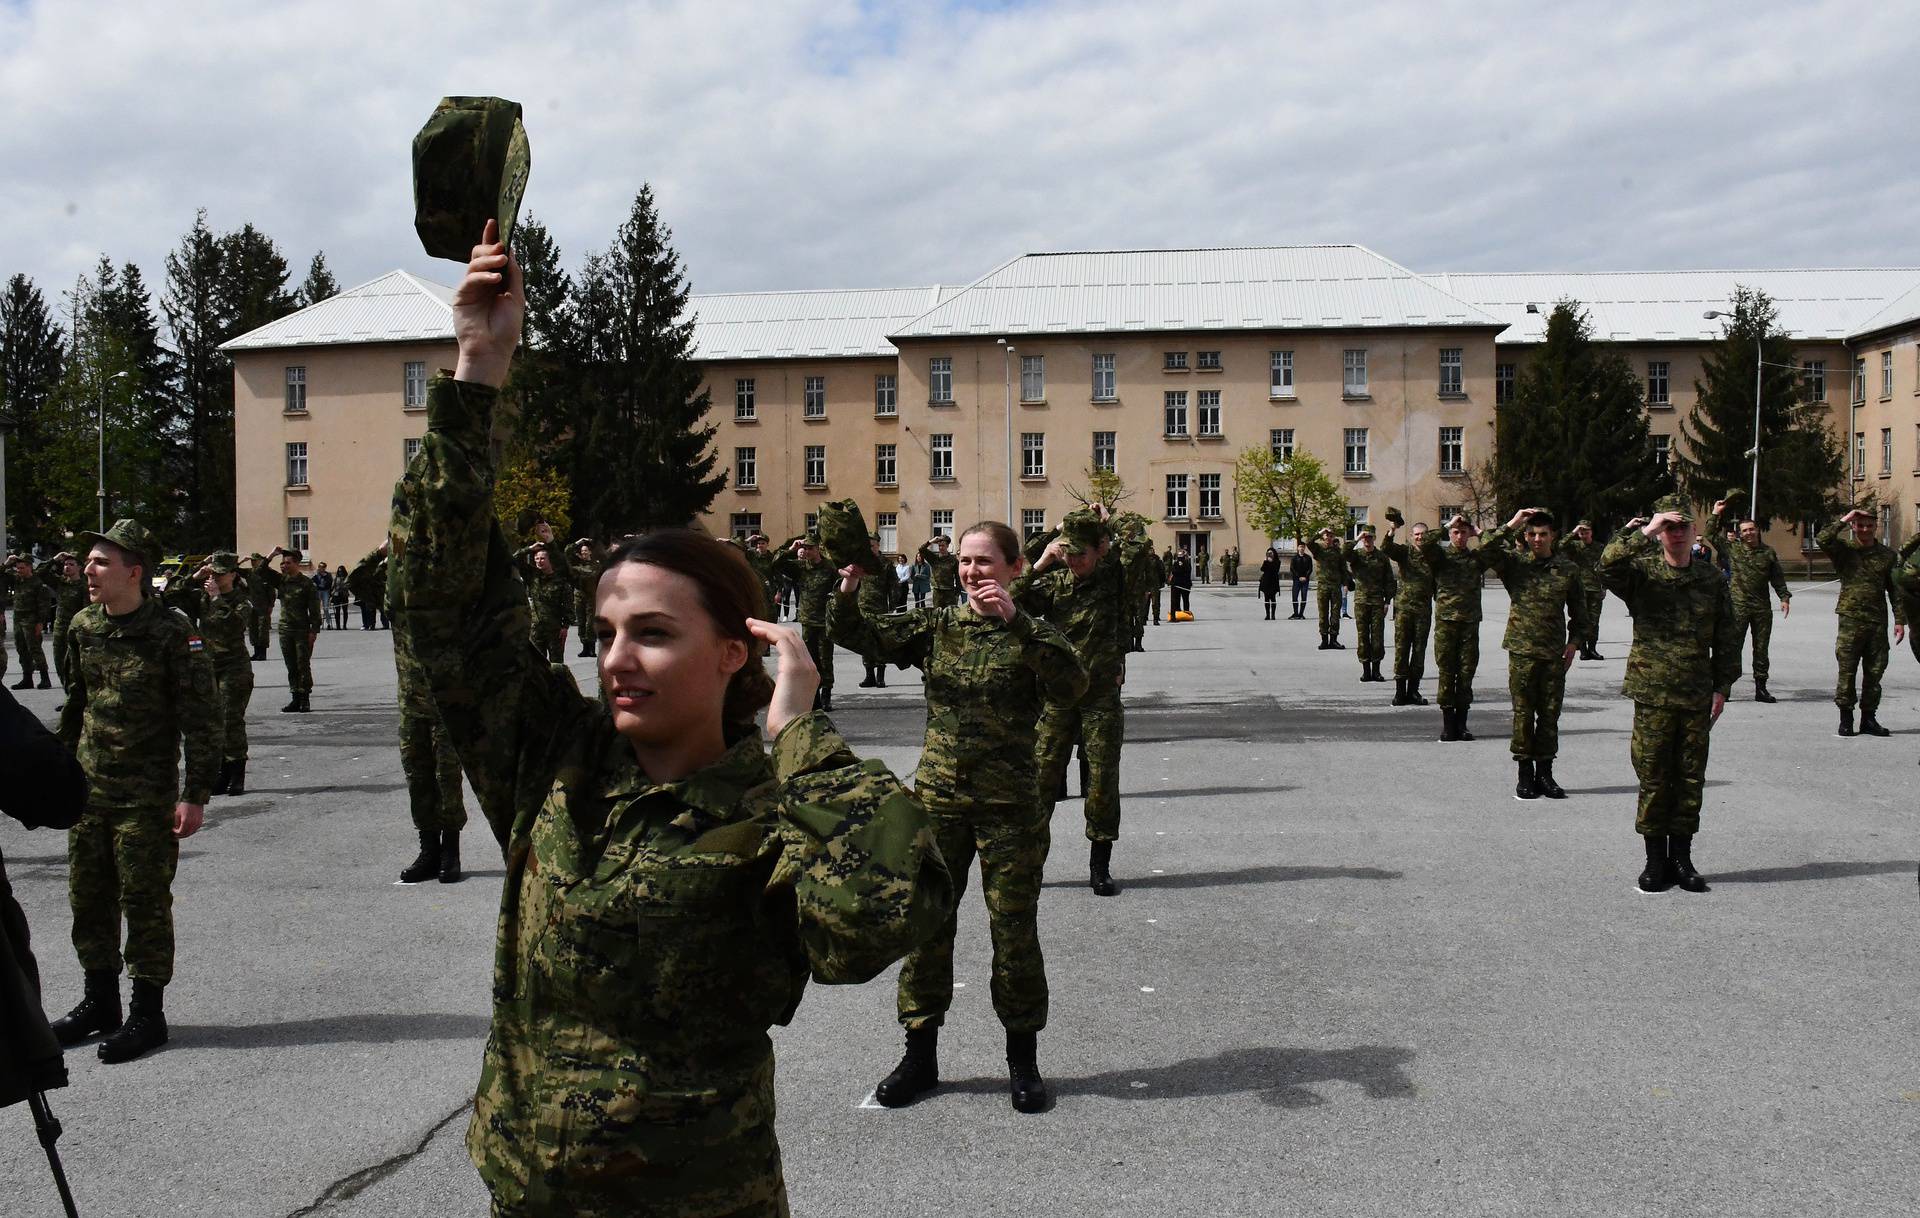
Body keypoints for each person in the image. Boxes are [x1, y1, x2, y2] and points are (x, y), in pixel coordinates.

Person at [387, 227, 951, 1213]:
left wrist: (801, 739)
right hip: (526, 1188)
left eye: (652, 632)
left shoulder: (772, 798)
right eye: (605, 631)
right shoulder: (555, 759)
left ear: (735, 650)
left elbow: (889, 909)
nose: (616, 659)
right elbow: (436, 601)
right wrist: (477, 370)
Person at [832, 520, 1084, 1113]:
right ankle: (919, 1056)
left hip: (1009, 809)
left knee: (1014, 931)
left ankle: (1023, 1061)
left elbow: (1074, 686)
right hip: (940, 801)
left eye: (986, 562)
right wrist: (847, 590)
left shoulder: (1035, 632)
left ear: (1016, 569)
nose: (973, 572)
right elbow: (864, 638)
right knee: (925, 928)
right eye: (967, 561)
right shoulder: (940, 626)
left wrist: (1017, 625)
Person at [49, 518, 216, 1063]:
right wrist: (55, 770)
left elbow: (201, 718)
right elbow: (77, 702)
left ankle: (149, 1013)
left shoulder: (172, 632)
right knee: (88, 900)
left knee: (144, 903)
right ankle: (100, 1003)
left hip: (146, 798)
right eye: (89, 562)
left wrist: (194, 795)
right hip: (88, 791)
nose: (88, 571)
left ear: (135, 572)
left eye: (101, 563)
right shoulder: (81, 626)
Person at [1601, 497, 1739, 892]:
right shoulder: (1642, 574)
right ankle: (1654, 861)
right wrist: (1645, 528)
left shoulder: (1710, 579)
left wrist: (1722, 687)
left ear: (1695, 532)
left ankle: (1682, 858)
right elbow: (1606, 565)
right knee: (1654, 776)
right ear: (1661, 532)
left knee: (1690, 778)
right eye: (1669, 527)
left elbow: (1727, 635)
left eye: (1683, 526)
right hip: (1654, 692)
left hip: (1696, 693)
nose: (1676, 533)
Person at [1017, 507, 1129, 896]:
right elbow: (1013, 603)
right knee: (1042, 780)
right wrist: (1045, 558)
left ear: (1099, 549)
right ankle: (1031, 865)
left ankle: (1100, 866)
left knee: (1101, 782)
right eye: (1070, 553)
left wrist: (1108, 526)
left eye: (1082, 553)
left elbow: (1137, 549)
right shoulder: (1056, 584)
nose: (1076, 561)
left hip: (1100, 698)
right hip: (1057, 698)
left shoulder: (1112, 576)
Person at [1481, 509, 1590, 800]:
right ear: (1525, 536)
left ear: (1553, 535)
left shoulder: (1567, 569)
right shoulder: (1515, 565)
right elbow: (1485, 549)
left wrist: (1574, 642)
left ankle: (1546, 773)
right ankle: (1524, 774)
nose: (1537, 539)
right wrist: (1513, 522)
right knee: (1523, 714)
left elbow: (1581, 611)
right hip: (1522, 651)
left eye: (1543, 534)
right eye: (1531, 534)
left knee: (1550, 715)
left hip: (1553, 653)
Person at [163, 553, 256, 796]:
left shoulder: (241, 600)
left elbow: (234, 624)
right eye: (212, 572)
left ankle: (237, 773)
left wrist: (216, 598)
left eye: (220, 573)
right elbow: (170, 595)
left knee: (230, 719)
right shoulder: (202, 597)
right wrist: (194, 576)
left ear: (233, 575)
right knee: (211, 723)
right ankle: (221, 773)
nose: (214, 577)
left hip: (234, 667)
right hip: (207, 667)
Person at [1817, 508, 1909, 737]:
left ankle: (1869, 718)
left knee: (1875, 671)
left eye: (1869, 525)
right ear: (1853, 527)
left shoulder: (1887, 555)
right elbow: (1823, 538)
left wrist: (1900, 621)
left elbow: (1895, 591)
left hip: (1877, 621)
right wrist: (1846, 518)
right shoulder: (1844, 551)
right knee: (1847, 671)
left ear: (1875, 527)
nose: (1865, 530)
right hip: (1850, 619)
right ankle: (1846, 718)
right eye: (1860, 525)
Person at [1418, 514, 1497, 742]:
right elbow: (1425, 543)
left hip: (1469, 623)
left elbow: (1497, 549)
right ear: (1450, 534)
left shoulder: (1475, 559)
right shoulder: (1441, 557)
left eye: (1463, 532)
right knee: (1446, 672)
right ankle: (1447, 724)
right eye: (1455, 532)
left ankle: (1462, 725)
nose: (1460, 536)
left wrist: (1479, 532)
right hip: (1446, 623)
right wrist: (1448, 525)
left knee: (1466, 673)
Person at [1705, 503, 1792, 702]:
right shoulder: (1732, 549)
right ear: (1740, 533)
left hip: (1761, 608)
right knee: (1731, 648)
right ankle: (1723, 688)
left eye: (1752, 529)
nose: (1749, 533)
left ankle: (1761, 688)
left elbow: (1777, 577)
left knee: (1761, 649)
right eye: (1745, 530)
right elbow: (1709, 534)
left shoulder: (1768, 553)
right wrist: (1716, 513)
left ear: (1757, 530)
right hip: (1738, 607)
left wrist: (1784, 597)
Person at [772, 534, 840, 710]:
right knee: (810, 660)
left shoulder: (829, 567)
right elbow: (777, 564)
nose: (808, 551)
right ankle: (814, 697)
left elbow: (840, 588)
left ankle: (826, 694)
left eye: (811, 548)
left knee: (826, 658)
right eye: (806, 548)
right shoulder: (800, 567)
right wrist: (791, 549)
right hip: (808, 620)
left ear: (818, 548)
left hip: (825, 619)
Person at [252, 547, 324, 713]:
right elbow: (260, 571)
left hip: (301, 630)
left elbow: (314, 610)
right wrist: (271, 555)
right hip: (285, 629)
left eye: (288, 563)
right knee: (291, 665)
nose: (284, 566)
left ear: (297, 564)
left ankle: (304, 698)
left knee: (302, 664)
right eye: (282, 563)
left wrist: (314, 631)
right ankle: (295, 698)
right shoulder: (281, 580)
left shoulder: (307, 584)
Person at [1380, 515, 1433, 706]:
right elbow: (1386, 548)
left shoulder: (1433, 556)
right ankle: (1400, 692)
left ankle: (1414, 691)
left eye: (1423, 534)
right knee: (1402, 650)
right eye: (1417, 534)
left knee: (1419, 652)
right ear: (1411, 536)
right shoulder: (1405, 552)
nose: (1419, 538)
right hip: (1404, 609)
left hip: (1423, 611)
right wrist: (1392, 530)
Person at [516, 519, 575, 664]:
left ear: (549, 560)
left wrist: (565, 626)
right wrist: (529, 549)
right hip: (536, 629)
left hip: (555, 630)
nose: (539, 561)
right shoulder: (532, 576)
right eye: (536, 558)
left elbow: (568, 605)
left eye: (542, 558)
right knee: (537, 666)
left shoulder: (560, 579)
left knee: (556, 665)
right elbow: (514, 559)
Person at [1343, 526, 1394, 682]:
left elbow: (1389, 580)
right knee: (1363, 636)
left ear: (1374, 538)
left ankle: (1376, 670)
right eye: (1365, 537)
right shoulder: (1357, 555)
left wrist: (1387, 601)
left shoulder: (1381, 557)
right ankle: (1366, 670)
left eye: (1370, 537)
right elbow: (1344, 553)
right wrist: (1357, 538)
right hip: (1361, 601)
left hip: (1377, 601)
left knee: (1377, 637)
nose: (1367, 540)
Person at [38, 552, 86, 695]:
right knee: (59, 663)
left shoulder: (84, 586)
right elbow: (40, 572)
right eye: (65, 564)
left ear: (80, 568)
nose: (67, 567)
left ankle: (79, 697)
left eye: (71, 564)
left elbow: (87, 610)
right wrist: (54, 559)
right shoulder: (61, 583)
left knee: (76, 665)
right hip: (60, 629)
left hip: (76, 631)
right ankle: (68, 696)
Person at [856, 538, 900, 688]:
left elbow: (894, 585)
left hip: (880, 608)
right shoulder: (861, 562)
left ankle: (880, 677)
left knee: (880, 643)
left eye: (872, 546)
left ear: (878, 546)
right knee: (865, 643)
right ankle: (869, 676)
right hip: (862, 607)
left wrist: (893, 604)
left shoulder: (886, 563)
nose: (869, 549)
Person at [1562, 521, 1607, 660]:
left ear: (1591, 532)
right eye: (1581, 532)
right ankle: (1582, 649)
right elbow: (1559, 546)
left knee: (1594, 620)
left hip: (1595, 588)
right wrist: (1573, 532)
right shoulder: (1574, 546)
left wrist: (1604, 586)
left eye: (1586, 531)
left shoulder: (1599, 547)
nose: (1584, 534)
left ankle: (1592, 649)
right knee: (1580, 619)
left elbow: (1604, 566)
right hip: (1578, 589)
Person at [1304, 528, 1349, 649]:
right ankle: (1324, 639)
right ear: (1323, 537)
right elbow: (1308, 542)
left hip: (1335, 586)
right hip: (1323, 586)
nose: (1328, 538)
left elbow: (1343, 569)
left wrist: (1345, 584)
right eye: (1326, 535)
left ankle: (1333, 640)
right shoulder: (1318, 549)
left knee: (1335, 614)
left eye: (1330, 536)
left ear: (1333, 537)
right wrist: (1319, 532)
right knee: (1323, 614)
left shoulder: (1338, 552)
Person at [572, 538, 606, 656]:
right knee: (581, 622)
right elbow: (567, 552)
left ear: (590, 552)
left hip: (591, 596)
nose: (584, 553)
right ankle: (584, 647)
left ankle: (591, 647)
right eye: (582, 551)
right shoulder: (577, 564)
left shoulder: (596, 565)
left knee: (590, 622)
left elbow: (594, 575)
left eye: (586, 551)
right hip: (579, 596)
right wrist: (579, 541)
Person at [245, 553, 276, 659]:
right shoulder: (249, 573)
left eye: (255, 560)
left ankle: (262, 653)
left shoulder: (265, 573)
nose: (252, 562)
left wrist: (271, 605)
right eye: (251, 560)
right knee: (253, 629)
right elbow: (233, 569)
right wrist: (243, 560)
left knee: (262, 630)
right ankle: (256, 652)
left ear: (260, 561)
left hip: (264, 606)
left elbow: (271, 591)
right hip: (253, 605)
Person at [348, 548, 387, 630]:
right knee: (370, 611)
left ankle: (385, 624)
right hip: (369, 594)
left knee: (383, 610)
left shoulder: (379, 571)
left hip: (377, 593)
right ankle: (371, 625)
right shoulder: (366, 572)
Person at [919, 534, 959, 609]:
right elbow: (921, 549)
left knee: (950, 614)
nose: (941, 548)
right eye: (939, 545)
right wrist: (931, 541)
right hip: (937, 591)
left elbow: (958, 577)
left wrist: (957, 593)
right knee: (937, 614)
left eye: (943, 545)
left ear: (947, 546)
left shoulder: (954, 561)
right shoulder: (934, 558)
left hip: (949, 591)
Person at [1258, 547, 1282, 620]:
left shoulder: (1277, 561)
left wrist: (1271, 562)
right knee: (1266, 599)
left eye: (1271, 553)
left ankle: (1273, 615)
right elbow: (1262, 569)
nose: (1270, 554)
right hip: (1266, 581)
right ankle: (1267, 614)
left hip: (1273, 581)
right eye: (1268, 553)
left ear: (1274, 554)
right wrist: (1266, 561)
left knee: (1273, 598)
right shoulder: (1266, 561)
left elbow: (1275, 570)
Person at [1167, 547, 1193, 616]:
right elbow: (1173, 572)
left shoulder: (1186, 563)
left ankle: (1186, 612)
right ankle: (1178, 612)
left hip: (1184, 584)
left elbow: (1186, 572)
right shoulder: (1176, 563)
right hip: (1178, 584)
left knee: (1185, 599)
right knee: (1178, 599)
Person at [1289, 546, 1312, 619]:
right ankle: (1295, 613)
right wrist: (1298, 577)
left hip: (1305, 580)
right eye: (1300, 547)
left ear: (1304, 548)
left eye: (1303, 547)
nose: (1301, 548)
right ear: (1298, 548)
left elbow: (1310, 568)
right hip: (1296, 580)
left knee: (1304, 597)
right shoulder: (1294, 558)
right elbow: (1292, 569)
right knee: (1295, 597)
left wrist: (1306, 577)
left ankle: (1301, 614)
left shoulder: (1308, 558)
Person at [312, 561, 335, 629]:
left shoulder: (328, 575)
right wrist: (314, 583)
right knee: (317, 608)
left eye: (322, 567)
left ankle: (328, 623)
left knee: (325, 608)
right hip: (318, 591)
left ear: (325, 568)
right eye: (319, 567)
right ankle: (318, 623)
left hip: (325, 591)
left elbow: (330, 583)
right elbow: (311, 581)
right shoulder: (316, 574)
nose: (320, 568)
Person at [330, 562, 352, 629]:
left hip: (344, 595)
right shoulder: (336, 578)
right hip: (337, 595)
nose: (340, 573)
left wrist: (344, 586)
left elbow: (349, 585)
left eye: (341, 571)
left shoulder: (347, 578)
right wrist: (331, 594)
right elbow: (332, 587)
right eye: (339, 571)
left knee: (345, 611)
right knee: (337, 611)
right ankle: (338, 626)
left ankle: (344, 625)